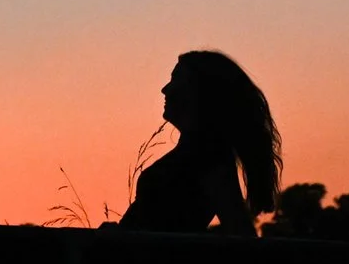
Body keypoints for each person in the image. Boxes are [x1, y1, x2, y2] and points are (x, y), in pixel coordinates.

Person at [117, 50, 280, 236]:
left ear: (198, 91)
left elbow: (239, 230)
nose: (165, 89)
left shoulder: (209, 156)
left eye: (175, 79)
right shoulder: (197, 151)